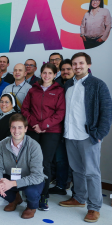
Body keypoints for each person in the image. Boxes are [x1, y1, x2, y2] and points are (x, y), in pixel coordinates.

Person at [59, 52, 112, 223]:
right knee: (76, 170)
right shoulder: (68, 85)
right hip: (70, 135)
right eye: (74, 64)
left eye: (80, 63)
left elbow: (107, 112)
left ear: (88, 65)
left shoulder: (98, 84)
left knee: (91, 172)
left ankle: (94, 207)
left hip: (88, 137)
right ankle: (79, 198)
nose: (77, 66)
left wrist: (99, 134)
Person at [21, 63, 65, 211]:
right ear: (41, 74)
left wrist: (44, 125)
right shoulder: (33, 89)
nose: (46, 76)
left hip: (51, 131)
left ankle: (43, 195)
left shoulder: (59, 91)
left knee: (45, 163)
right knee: (31, 161)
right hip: (33, 129)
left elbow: (60, 113)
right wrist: (34, 124)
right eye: (44, 73)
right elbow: (25, 109)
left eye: (50, 73)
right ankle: (31, 192)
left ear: (54, 75)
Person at [0, 114, 46, 219]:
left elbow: (37, 176)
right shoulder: (3, 144)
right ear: (10, 129)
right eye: (13, 127)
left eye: (20, 127)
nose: (16, 130)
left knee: (31, 192)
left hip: (31, 180)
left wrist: (11, 184)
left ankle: (31, 207)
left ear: (26, 129)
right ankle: (14, 199)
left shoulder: (34, 146)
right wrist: (1, 181)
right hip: (13, 177)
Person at [49, 58, 75, 195]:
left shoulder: (77, 85)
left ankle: (77, 192)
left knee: (76, 162)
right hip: (58, 128)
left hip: (75, 129)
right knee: (59, 159)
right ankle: (60, 186)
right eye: (63, 69)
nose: (65, 71)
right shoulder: (56, 85)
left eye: (68, 69)